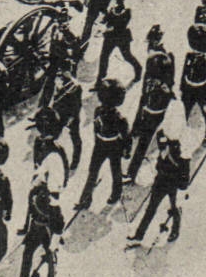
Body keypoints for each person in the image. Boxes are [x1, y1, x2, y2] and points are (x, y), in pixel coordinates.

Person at [75, 78, 130, 211]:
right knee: (92, 172)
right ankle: (85, 200)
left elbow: (126, 137)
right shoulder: (100, 111)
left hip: (113, 146)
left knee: (115, 171)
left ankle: (116, 194)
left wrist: (126, 150)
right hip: (101, 145)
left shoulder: (118, 118)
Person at [127, 137, 190, 247]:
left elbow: (184, 175)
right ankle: (139, 234)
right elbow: (158, 166)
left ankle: (175, 230)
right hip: (160, 183)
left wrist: (181, 185)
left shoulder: (180, 154)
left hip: (173, 185)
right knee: (151, 209)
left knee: (174, 208)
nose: (161, 148)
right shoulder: (163, 152)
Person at [9, 181, 64, 277]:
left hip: (46, 231)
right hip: (35, 229)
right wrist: (27, 230)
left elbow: (59, 223)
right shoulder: (34, 192)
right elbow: (31, 213)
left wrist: (56, 238)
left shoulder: (52, 201)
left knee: (49, 254)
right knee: (27, 253)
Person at [126, 74, 175, 182]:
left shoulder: (165, 91)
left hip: (155, 119)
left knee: (146, 145)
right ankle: (131, 172)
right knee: (145, 145)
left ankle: (132, 173)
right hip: (146, 116)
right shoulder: (150, 83)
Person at [96, 0, 142, 84]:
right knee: (104, 56)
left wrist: (111, 27)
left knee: (127, 56)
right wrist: (103, 21)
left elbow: (124, 22)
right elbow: (108, 16)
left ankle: (139, 69)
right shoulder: (113, 3)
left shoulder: (127, 6)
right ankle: (100, 80)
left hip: (122, 37)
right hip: (110, 37)